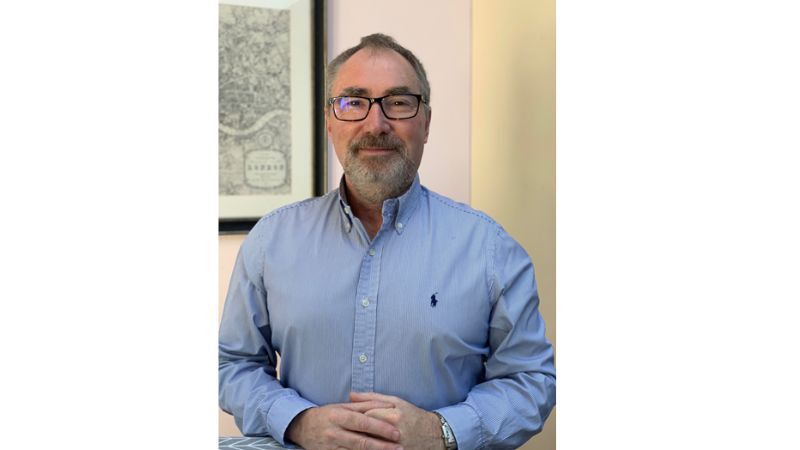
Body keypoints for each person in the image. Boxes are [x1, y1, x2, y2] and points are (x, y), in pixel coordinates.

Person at [219, 33, 556, 450]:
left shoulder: (490, 249)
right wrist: (297, 421)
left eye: (398, 102)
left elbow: (531, 382)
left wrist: (442, 431)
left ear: (426, 123)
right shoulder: (271, 241)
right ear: (329, 122)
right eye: (353, 102)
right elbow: (234, 364)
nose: (375, 124)